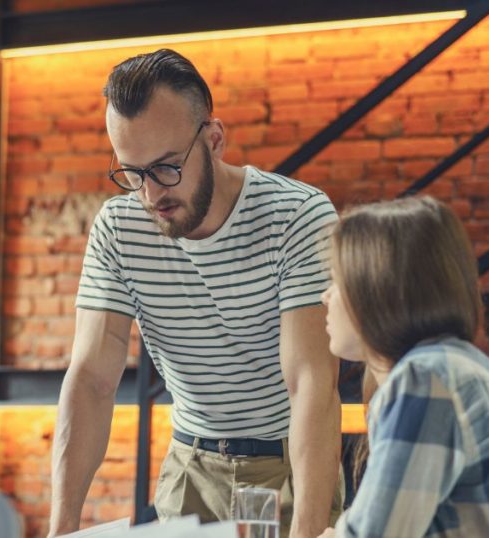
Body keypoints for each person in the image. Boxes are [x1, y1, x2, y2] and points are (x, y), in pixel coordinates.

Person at [49, 48, 342, 537]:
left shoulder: (297, 217)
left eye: (166, 168)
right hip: (190, 466)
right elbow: (91, 381)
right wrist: (62, 528)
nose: (150, 195)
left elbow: (312, 386)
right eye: (133, 173)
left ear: (214, 139)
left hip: (287, 465)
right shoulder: (119, 228)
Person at [318, 196, 489, 537]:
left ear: (379, 290)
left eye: (336, 280)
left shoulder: (427, 378)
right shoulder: (452, 365)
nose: (325, 296)